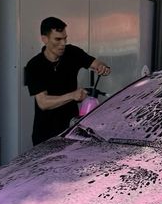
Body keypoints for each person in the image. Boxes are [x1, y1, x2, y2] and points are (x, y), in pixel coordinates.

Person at [25, 16, 110, 145]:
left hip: (72, 131)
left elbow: (96, 63)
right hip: (45, 134)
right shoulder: (34, 65)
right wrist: (72, 95)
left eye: (65, 38)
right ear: (44, 39)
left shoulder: (72, 53)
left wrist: (102, 67)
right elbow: (43, 102)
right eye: (58, 39)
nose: (63, 44)